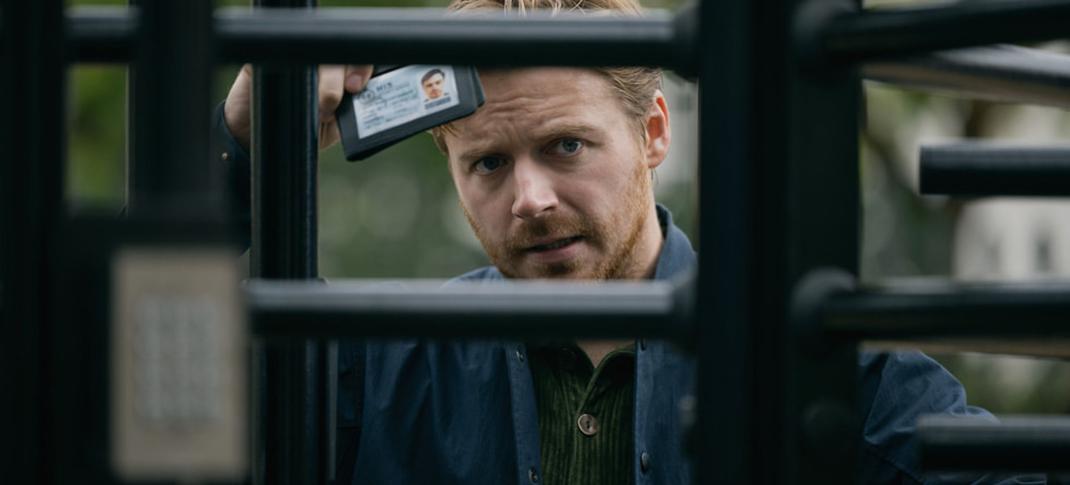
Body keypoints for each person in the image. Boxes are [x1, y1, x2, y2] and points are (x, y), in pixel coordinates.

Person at [215, 1, 1044, 483]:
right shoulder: (372, 367)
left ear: (653, 132)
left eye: (566, 146)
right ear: (449, 163)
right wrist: (242, 157)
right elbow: (134, 410)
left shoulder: (818, 365)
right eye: (489, 163)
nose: (530, 198)